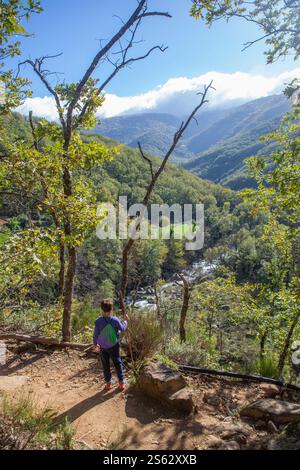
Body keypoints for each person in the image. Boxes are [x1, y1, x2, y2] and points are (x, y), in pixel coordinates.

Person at [93, 298, 128, 391]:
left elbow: (95, 334)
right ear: (111, 309)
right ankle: (121, 383)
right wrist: (125, 321)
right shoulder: (115, 320)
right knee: (117, 362)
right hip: (114, 346)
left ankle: (108, 384)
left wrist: (95, 344)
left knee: (105, 365)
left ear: (101, 309)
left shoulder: (98, 321)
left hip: (103, 347)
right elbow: (123, 329)